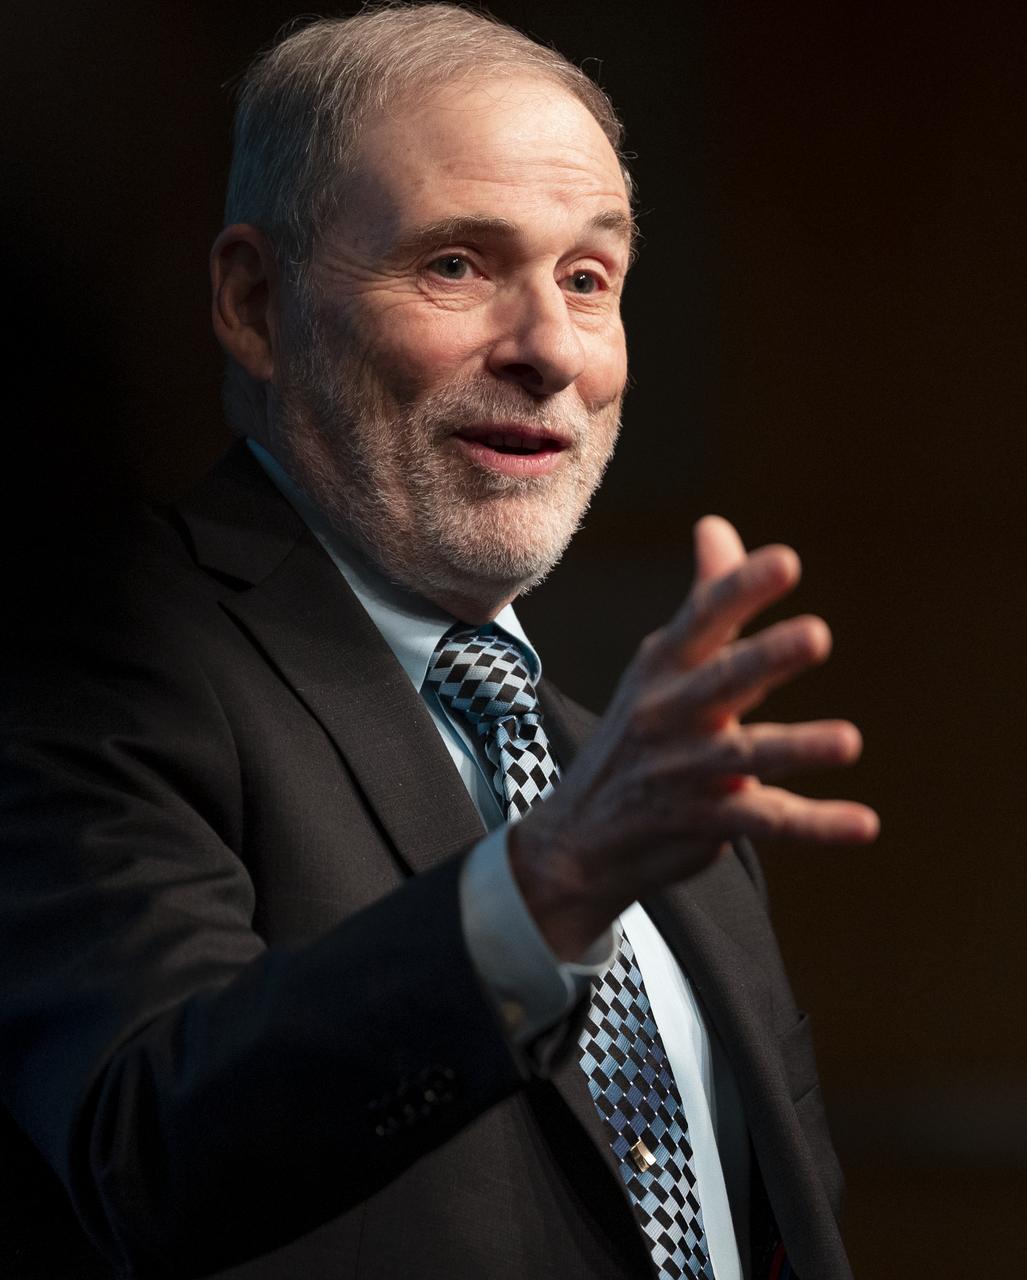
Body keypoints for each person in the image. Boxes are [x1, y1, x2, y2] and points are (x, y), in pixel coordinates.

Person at [0, 6, 878, 1278]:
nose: (549, 351)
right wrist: (554, 884)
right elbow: (146, 1147)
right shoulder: (92, 658)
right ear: (254, 302)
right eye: (458, 264)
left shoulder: (638, 778)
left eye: (588, 278)